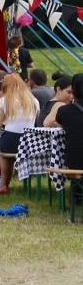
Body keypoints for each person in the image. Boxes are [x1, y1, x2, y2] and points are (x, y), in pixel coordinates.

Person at [0, 73, 38, 194]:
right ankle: (4, 184)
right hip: (29, 142)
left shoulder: (4, 100)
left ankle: (2, 183)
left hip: (11, 140)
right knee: (4, 149)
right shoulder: (33, 100)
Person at [50, 73, 83, 205]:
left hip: (75, 161)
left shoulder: (64, 111)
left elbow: (56, 122)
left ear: (73, 91)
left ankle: (77, 197)